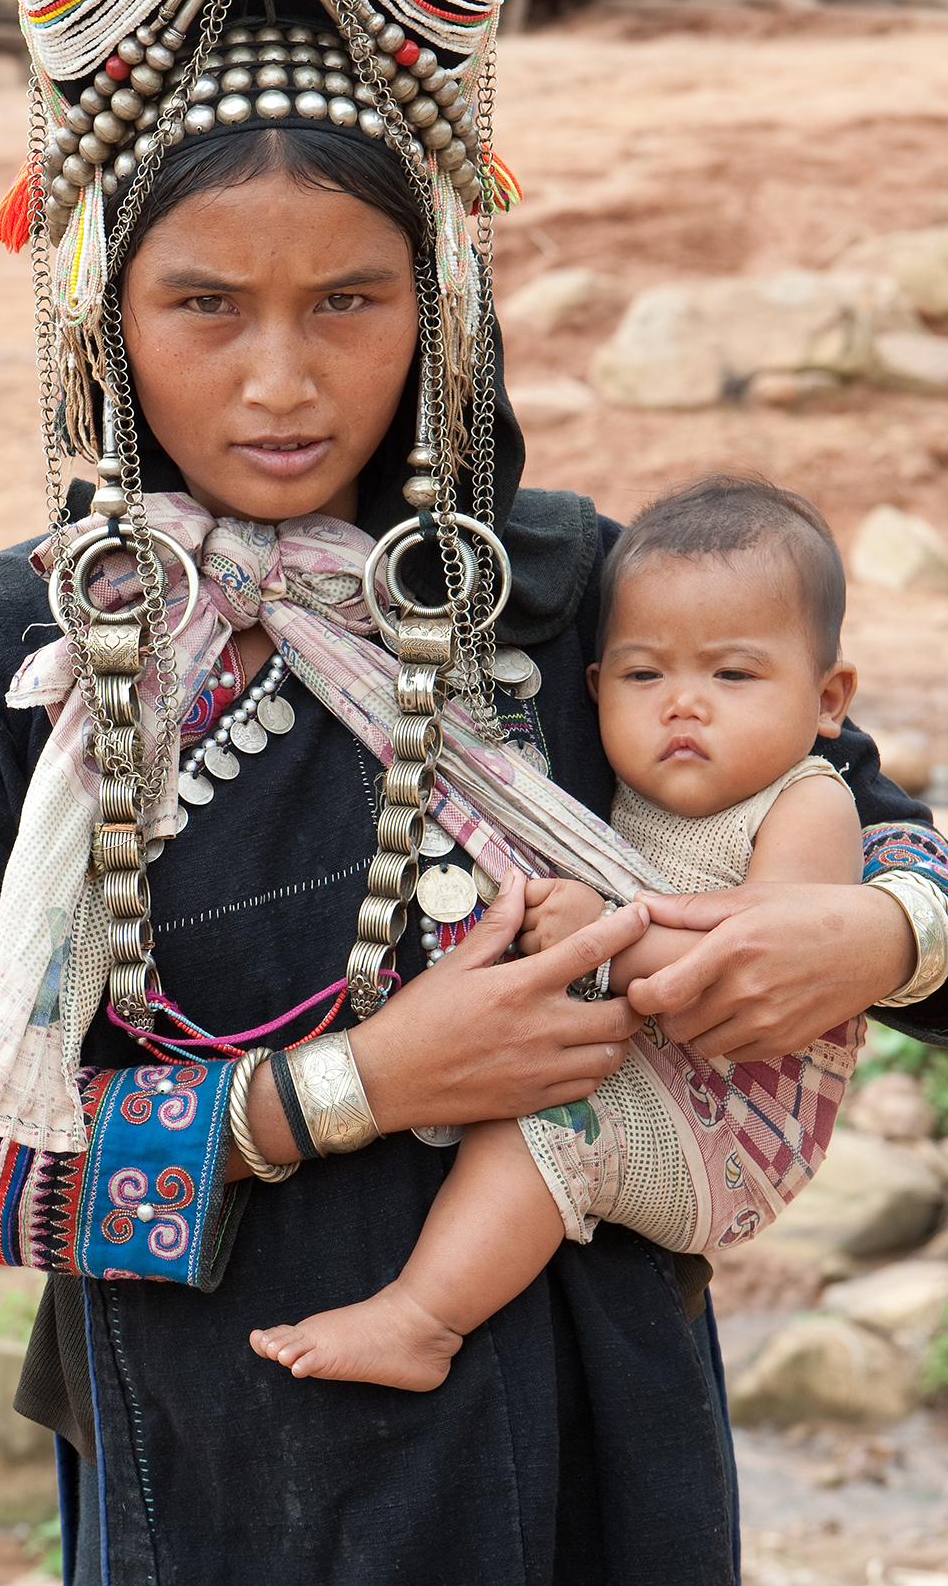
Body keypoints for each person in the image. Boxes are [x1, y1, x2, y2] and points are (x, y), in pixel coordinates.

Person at [0, 0, 948, 1586]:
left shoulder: (575, 589)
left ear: (437, 299)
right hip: (226, 1477)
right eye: (206, 304)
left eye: (347, 302)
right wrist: (342, 1094)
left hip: (599, 1458)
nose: (280, 384)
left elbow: (890, 850)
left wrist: (869, 934)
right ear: (99, 318)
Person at [249, 477, 867, 1392]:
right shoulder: (614, 794)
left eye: (732, 675)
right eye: (643, 675)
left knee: (542, 1122)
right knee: (532, 1093)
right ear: (594, 686)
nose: (682, 705)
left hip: (738, 1115)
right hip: (666, 1073)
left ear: (829, 698)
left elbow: (756, 963)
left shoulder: (806, 802)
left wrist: (609, 942)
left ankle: (422, 1318)